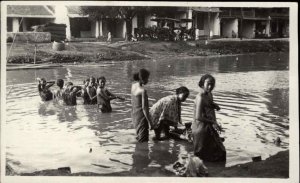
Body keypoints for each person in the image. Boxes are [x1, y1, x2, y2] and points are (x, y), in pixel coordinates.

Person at [192, 74, 226, 162]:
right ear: (202, 84)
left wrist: (215, 105)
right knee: (200, 155)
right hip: (200, 129)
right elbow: (198, 117)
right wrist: (213, 122)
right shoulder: (200, 97)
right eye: (208, 84)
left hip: (208, 126)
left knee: (220, 152)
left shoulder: (209, 94)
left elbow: (209, 103)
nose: (210, 86)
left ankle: (213, 171)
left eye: (212, 84)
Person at [131, 69, 152, 142]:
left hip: (134, 116)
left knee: (139, 137)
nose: (148, 80)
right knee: (143, 141)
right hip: (142, 117)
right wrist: (150, 122)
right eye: (147, 78)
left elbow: (135, 101)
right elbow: (144, 108)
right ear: (143, 79)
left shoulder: (133, 86)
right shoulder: (143, 91)